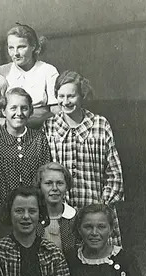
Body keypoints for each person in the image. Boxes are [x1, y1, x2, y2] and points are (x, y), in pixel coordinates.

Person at [43, 70, 124, 246]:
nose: (66, 102)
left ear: (81, 96)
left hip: (95, 210)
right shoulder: (49, 127)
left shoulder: (100, 125)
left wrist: (102, 207)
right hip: (62, 214)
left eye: (71, 96)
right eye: (61, 96)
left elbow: (114, 174)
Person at [0, 87, 51, 206]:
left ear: (30, 111)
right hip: (2, 207)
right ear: (3, 111)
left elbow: (45, 176)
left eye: (24, 108)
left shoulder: (39, 139)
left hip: (33, 206)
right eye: (13, 108)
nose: (19, 113)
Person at [0, 24, 59, 128]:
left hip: (41, 129)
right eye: (11, 48)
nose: (15, 53)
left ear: (33, 46)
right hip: (10, 131)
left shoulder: (48, 71)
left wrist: (27, 122)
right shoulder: (2, 71)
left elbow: (55, 111)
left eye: (21, 47)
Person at [36, 162, 77, 252]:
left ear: (67, 186)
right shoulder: (33, 219)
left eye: (60, 183)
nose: (54, 188)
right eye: (48, 183)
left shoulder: (77, 219)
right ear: (40, 186)